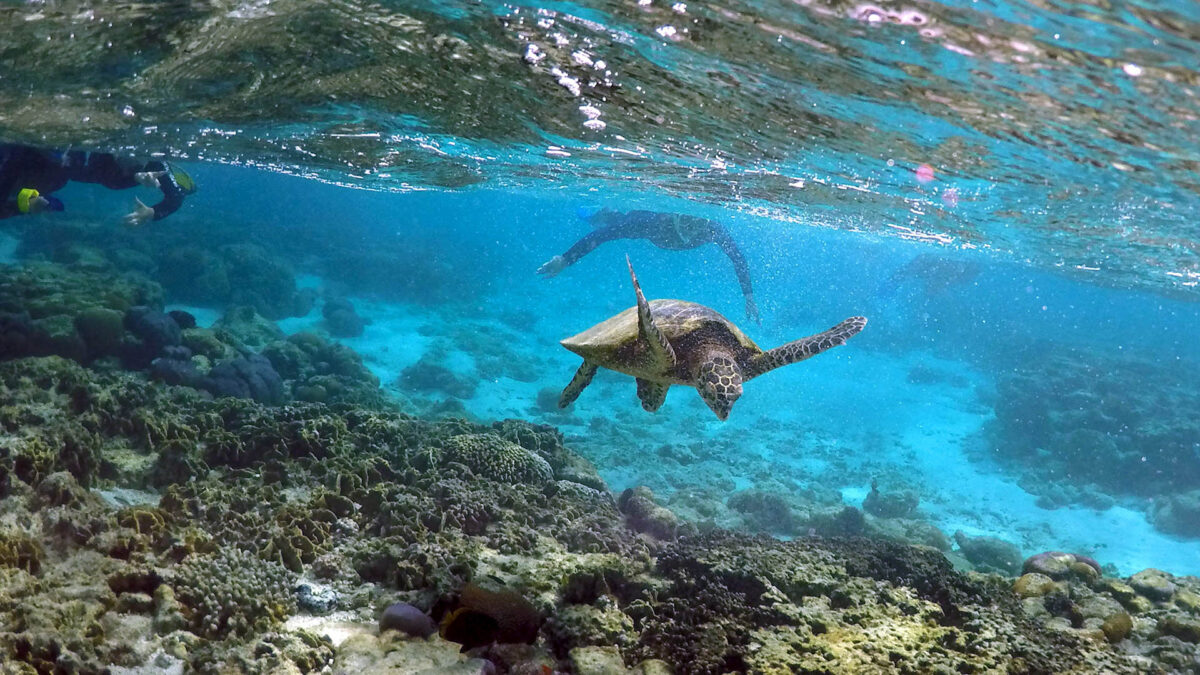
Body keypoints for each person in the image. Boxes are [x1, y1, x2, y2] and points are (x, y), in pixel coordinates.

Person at [537, 208, 760, 322]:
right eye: (688, 220)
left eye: (701, 222)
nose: (694, 226)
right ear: (676, 215)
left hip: (651, 225)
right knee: (613, 221)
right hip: (637, 216)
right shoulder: (653, 224)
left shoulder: (713, 228)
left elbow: (737, 257)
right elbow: (604, 235)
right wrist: (565, 259)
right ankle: (597, 211)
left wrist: (748, 295)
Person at [0, 143, 195, 225]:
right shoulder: (30, 163)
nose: (134, 161)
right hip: (49, 168)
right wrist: (22, 206)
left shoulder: (155, 165)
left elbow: (176, 197)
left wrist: (152, 213)